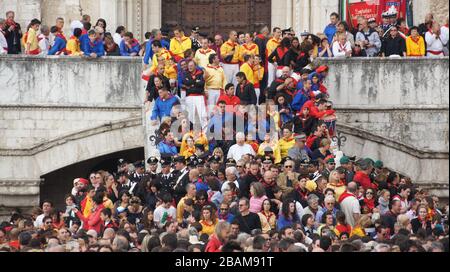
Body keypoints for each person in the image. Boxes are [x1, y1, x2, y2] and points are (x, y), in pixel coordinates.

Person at [181, 60, 207, 127]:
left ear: (195, 66)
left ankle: (205, 132)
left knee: (202, 115)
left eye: (191, 65)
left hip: (199, 96)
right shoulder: (186, 74)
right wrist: (195, 81)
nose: (190, 67)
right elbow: (185, 82)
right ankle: (191, 132)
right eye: (189, 66)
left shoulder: (200, 73)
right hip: (189, 96)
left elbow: (202, 83)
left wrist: (191, 83)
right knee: (190, 115)